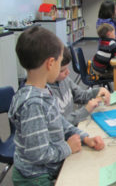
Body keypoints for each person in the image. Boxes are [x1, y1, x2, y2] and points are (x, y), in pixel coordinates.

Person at [8, 26, 105, 185]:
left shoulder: (44, 90)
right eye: (61, 62)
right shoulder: (33, 104)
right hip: (36, 178)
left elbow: (61, 123)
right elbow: (38, 154)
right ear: (51, 63)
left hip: (47, 169)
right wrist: (68, 147)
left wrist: (85, 138)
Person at [49, 46, 111, 126]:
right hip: (66, 134)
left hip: (73, 129)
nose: (68, 72)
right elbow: (58, 125)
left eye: (67, 68)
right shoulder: (46, 94)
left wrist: (98, 91)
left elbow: (81, 95)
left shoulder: (64, 80)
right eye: (62, 70)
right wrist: (85, 110)